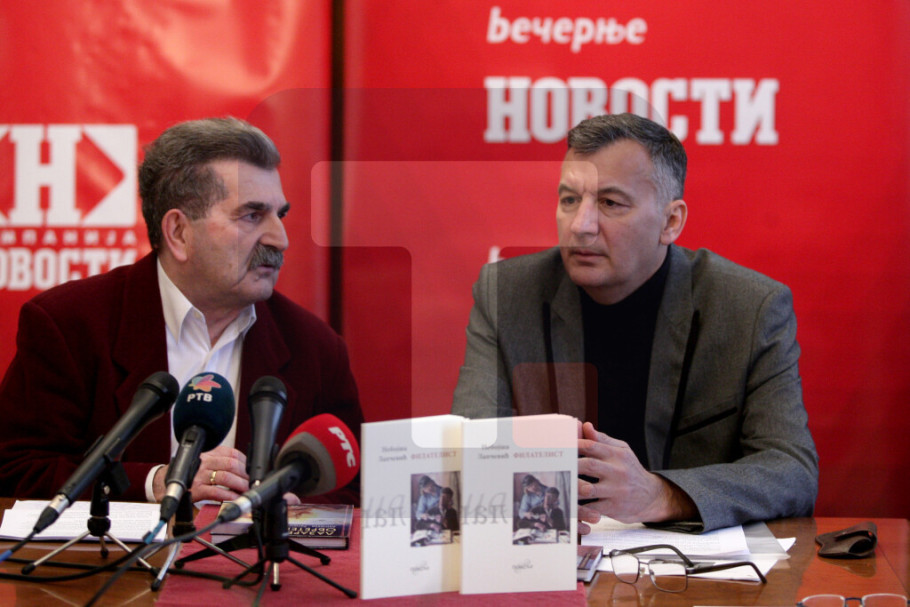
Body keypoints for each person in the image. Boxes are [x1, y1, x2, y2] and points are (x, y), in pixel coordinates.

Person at [452, 113, 818, 533]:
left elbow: (792, 470)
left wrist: (659, 494)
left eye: (610, 203)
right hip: (555, 552)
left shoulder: (748, 308)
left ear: (670, 222)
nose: (581, 226)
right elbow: (467, 450)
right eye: (569, 200)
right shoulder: (508, 294)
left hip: (691, 564)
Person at [0, 117, 363, 506]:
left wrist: (299, 509)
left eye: (281, 215)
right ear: (178, 232)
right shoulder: (70, 325)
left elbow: (355, 489)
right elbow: (16, 469)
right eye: (252, 216)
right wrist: (156, 483)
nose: (280, 239)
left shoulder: (315, 348)